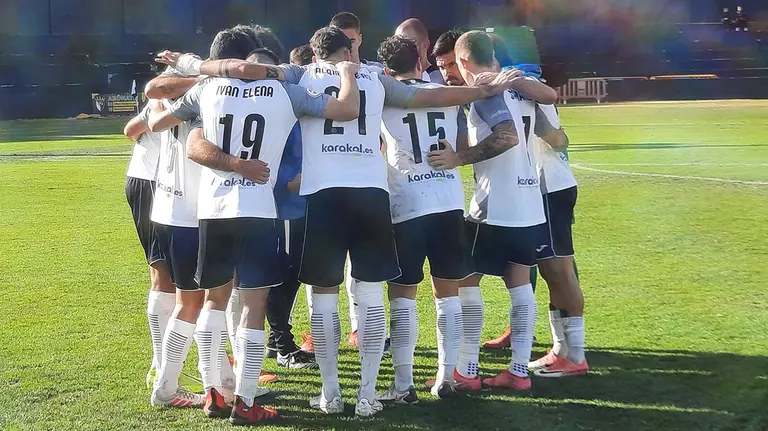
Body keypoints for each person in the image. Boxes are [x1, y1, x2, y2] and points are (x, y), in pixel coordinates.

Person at [159, 25, 523, 417]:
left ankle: (331, 393)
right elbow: (428, 94)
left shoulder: (300, 76)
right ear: (351, 49)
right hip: (371, 195)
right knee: (368, 298)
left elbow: (253, 75)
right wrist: (481, 91)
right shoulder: (375, 77)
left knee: (323, 300)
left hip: (322, 196)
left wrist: (191, 64)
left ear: (315, 54)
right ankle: (367, 395)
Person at [160, 41, 360, 424]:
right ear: (274, 67)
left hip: (212, 209)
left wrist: (188, 66)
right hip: (257, 209)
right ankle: (247, 401)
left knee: (213, 302)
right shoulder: (287, 90)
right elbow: (347, 109)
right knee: (253, 308)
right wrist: (349, 76)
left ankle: (214, 393)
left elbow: (165, 124)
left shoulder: (209, 87)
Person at [426, 30, 557, 392]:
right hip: (529, 203)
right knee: (520, 286)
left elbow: (507, 136)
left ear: (464, 60)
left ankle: (466, 371)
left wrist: (459, 158)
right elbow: (548, 131)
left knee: (466, 284)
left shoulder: (486, 89)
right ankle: (518, 372)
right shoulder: (519, 85)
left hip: (496, 205)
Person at [146, 28, 259, 411]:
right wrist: (211, 75)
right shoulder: (215, 94)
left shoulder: (182, 92)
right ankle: (176, 386)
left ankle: (217, 380)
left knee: (195, 302)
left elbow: (153, 97)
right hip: (198, 213)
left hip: (168, 209)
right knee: (206, 302)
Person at [374, 35, 471, 404]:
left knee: (402, 296)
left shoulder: (385, 97)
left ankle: (403, 386)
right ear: (421, 61)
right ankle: (445, 378)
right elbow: (459, 148)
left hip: (406, 205)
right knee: (447, 295)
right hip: (448, 202)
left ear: (386, 70)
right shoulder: (445, 92)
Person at [527, 104, 589, 378]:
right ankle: (561, 349)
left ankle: (576, 357)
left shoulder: (530, 93)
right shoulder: (529, 93)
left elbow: (557, 140)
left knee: (561, 272)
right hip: (543, 188)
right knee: (552, 272)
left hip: (550, 189)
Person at [123, 107, 176, 389]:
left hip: (155, 179)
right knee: (162, 272)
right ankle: (159, 365)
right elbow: (132, 130)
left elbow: (130, 131)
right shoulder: (170, 90)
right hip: (154, 179)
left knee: (175, 274)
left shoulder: (162, 92)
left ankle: (165, 364)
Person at [395, 18, 443, 83]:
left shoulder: (440, 79)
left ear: (425, 45)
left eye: (408, 44)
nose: (401, 49)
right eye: (397, 44)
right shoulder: (391, 80)